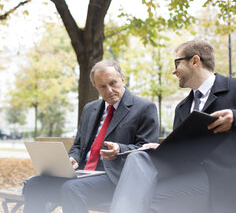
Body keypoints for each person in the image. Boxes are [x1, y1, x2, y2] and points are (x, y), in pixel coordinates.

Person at [109, 39, 236, 213]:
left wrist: (235, 117)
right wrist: (163, 147)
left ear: (195, 61)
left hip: (223, 179)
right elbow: (182, 150)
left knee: (144, 198)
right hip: (187, 174)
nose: (174, 71)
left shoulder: (233, 88)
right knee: (138, 158)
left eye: (177, 63)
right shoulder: (182, 107)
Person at [23, 60, 159, 213]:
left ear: (123, 79)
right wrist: (73, 158)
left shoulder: (144, 108)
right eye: (102, 86)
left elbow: (147, 151)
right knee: (34, 184)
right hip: (82, 173)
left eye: (113, 83)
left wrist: (119, 149)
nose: (109, 90)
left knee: (72, 189)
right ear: (95, 87)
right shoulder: (90, 109)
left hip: (115, 177)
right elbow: (78, 145)